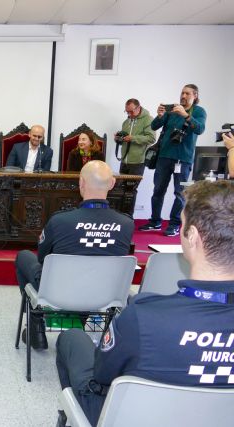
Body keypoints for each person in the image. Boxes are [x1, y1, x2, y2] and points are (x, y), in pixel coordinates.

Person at [55, 180, 234, 426]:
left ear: (192, 237)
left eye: (181, 224)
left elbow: (102, 374)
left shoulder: (143, 315)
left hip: (136, 418)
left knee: (72, 337)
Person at [15, 161, 134, 350]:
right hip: (106, 294)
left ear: (81, 183)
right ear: (112, 184)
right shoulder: (126, 224)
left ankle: (36, 324)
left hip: (58, 293)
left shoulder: (60, 220)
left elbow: (42, 258)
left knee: (24, 256)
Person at [139, 84, 206, 237]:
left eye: (187, 93)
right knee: (158, 190)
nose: (183, 96)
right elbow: (154, 126)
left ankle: (175, 224)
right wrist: (160, 115)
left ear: (195, 95)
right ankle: (155, 221)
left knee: (180, 193)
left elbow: (200, 129)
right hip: (164, 157)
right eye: (182, 93)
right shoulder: (172, 110)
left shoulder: (199, 111)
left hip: (183, 159)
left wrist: (186, 115)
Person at [115, 98, 155, 176]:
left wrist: (132, 138)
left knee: (131, 187)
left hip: (137, 163)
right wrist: (118, 139)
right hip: (124, 162)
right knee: (121, 187)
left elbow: (151, 138)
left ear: (138, 108)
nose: (129, 114)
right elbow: (124, 142)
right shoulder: (125, 122)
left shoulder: (148, 119)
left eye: (131, 111)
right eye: (127, 112)